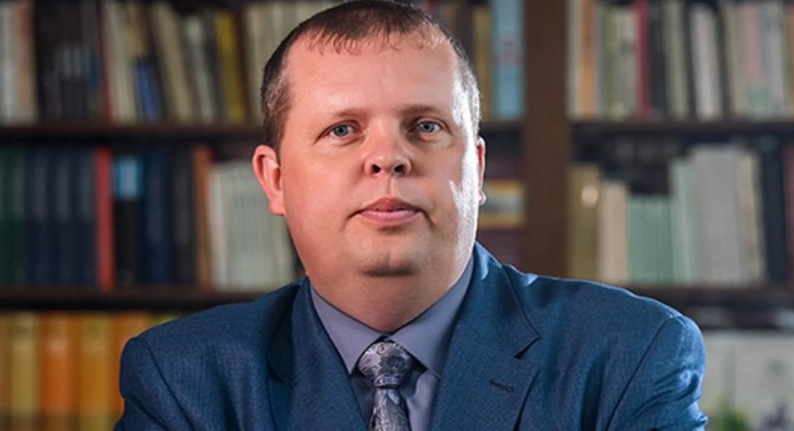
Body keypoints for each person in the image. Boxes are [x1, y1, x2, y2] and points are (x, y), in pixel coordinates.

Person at [115, 1, 707, 430]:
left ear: (477, 170)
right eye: (342, 130)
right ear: (275, 180)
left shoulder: (627, 355)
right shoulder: (183, 380)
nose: (389, 157)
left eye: (426, 126)